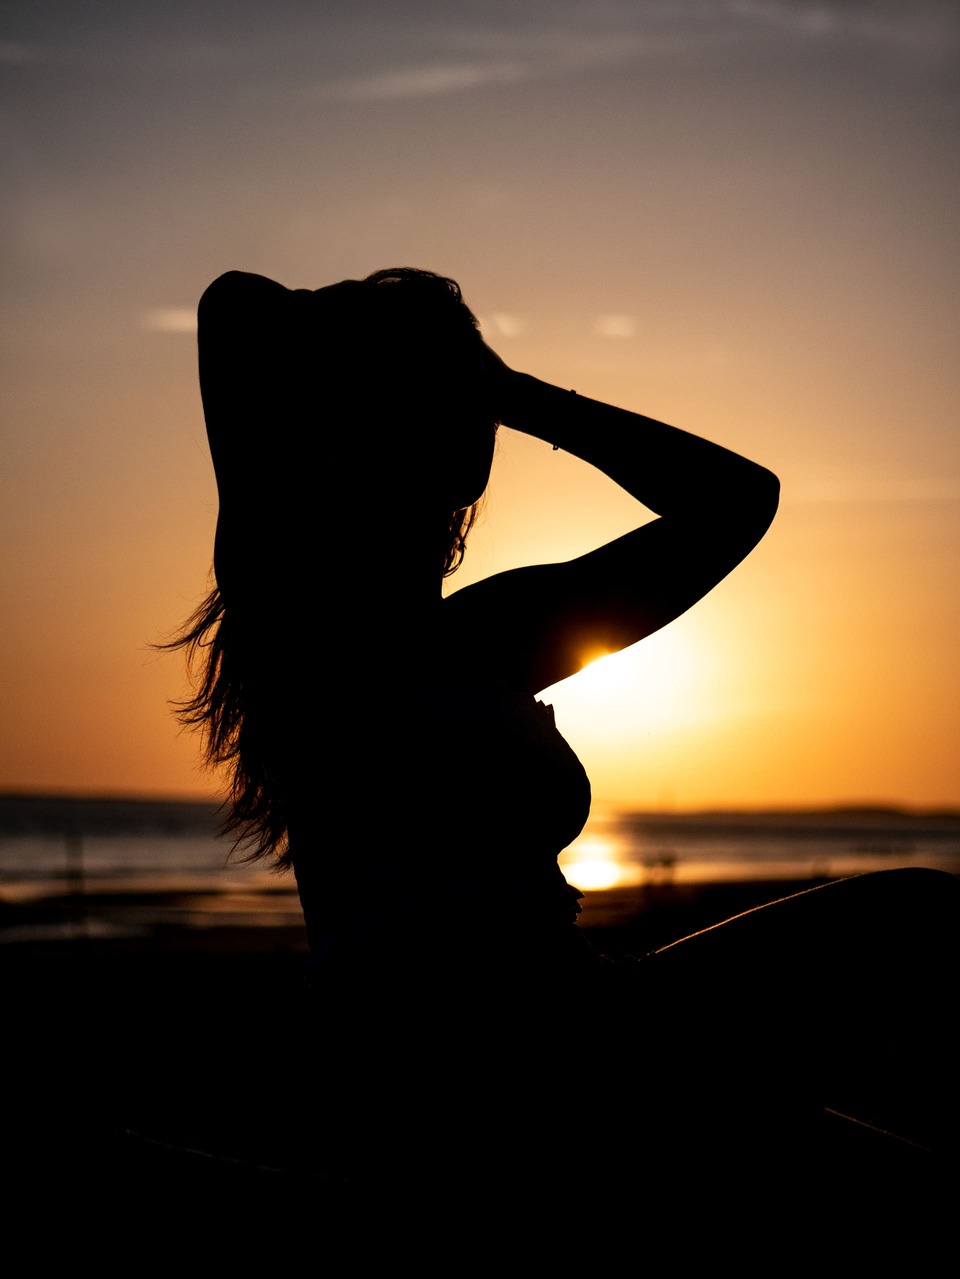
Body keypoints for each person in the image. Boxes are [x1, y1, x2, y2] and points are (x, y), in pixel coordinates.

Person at [169, 267, 958, 1220]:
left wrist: (516, 394)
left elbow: (737, 501)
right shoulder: (300, 621)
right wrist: (421, 360)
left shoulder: (492, 630)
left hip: (580, 1018)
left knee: (913, 943)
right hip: (454, 1060)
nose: (472, 410)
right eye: (446, 383)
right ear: (375, 413)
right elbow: (231, 305)